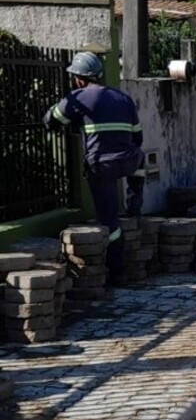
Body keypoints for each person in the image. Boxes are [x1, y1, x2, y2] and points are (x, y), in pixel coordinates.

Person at [43, 52, 145, 284]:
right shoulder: (123, 98)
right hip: (128, 160)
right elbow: (138, 138)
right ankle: (134, 205)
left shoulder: (79, 97)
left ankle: (117, 270)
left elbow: (51, 119)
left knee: (109, 219)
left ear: (79, 78)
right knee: (140, 160)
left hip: (102, 165)